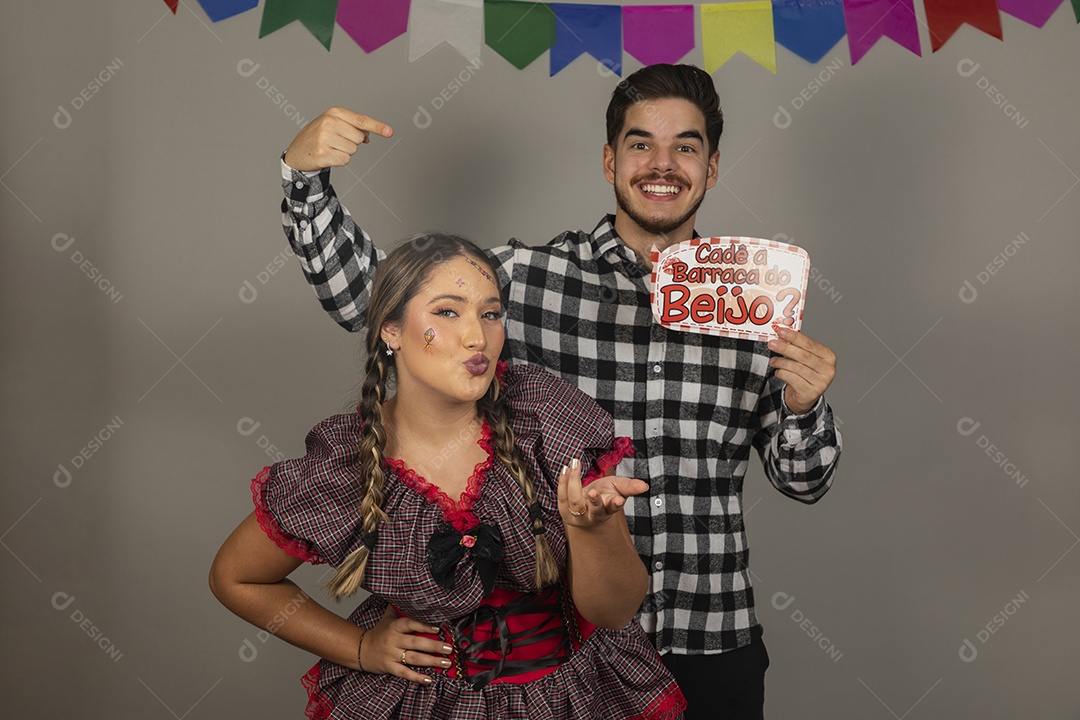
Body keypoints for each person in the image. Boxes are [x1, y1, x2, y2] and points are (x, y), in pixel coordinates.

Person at [277, 63, 841, 719]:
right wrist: (306, 182)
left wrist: (804, 407)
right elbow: (376, 303)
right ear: (610, 160)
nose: (663, 164)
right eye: (641, 144)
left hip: (708, 639)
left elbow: (805, 481)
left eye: (686, 146)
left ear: (711, 168)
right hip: (575, 655)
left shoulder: (753, 300)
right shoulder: (524, 278)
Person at [210, 235, 687, 719]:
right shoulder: (345, 465)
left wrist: (595, 532)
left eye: (491, 313)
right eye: (448, 312)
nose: (478, 337)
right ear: (391, 329)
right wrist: (360, 649)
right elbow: (237, 578)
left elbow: (614, 612)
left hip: (567, 699)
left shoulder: (544, 419)